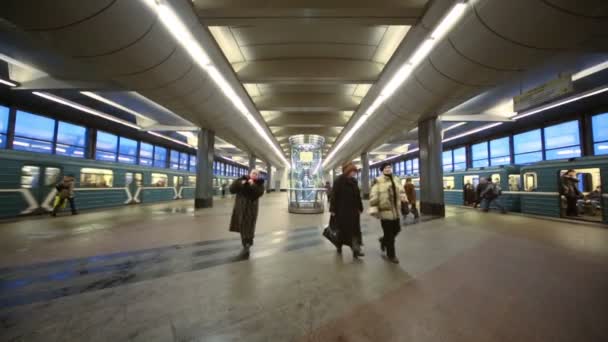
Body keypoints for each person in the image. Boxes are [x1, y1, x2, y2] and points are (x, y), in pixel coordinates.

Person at [370, 163, 407, 264]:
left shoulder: (396, 179)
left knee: (397, 229)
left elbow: (402, 191)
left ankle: (383, 240)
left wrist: (404, 202)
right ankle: (391, 255)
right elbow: (374, 195)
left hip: (395, 210)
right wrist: (374, 209)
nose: (388, 169)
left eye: (389, 167)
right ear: (382, 170)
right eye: (385, 168)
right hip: (385, 211)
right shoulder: (378, 180)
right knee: (389, 235)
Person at [330, 162, 364, 259]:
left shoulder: (354, 181)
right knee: (342, 230)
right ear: (347, 171)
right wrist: (333, 209)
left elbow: (358, 196)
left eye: (355, 171)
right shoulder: (339, 181)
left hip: (353, 211)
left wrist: (360, 207)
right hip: (342, 211)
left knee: (355, 230)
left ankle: (356, 250)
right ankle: (339, 245)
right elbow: (334, 196)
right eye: (352, 171)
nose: (354, 173)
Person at [229, 169, 266, 256]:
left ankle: (247, 244)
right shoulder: (242, 180)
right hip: (240, 208)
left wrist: (252, 184)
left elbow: (259, 192)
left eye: (256, 174)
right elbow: (232, 189)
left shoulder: (259, 184)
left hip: (251, 210)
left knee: (249, 226)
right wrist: (241, 183)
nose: (254, 175)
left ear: (258, 176)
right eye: (253, 173)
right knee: (242, 226)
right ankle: (246, 244)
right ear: (250, 174)